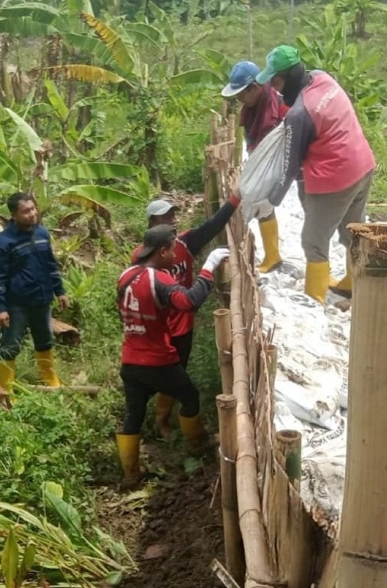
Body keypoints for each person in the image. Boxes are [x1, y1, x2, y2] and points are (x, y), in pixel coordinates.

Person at [251, 45, 376, 303]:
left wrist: (270, 200)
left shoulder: (300, 114)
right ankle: (353, 284)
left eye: (275, 80)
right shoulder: (323, 78)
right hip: (363, 164)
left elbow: (290, 167)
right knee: (353, 230)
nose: (273, 87)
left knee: (313, 240)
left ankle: (314, 299)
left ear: (288, 78)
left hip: (336, 178)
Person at [115, 225, 230, 488]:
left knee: (133, 414)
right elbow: (189, 302)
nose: (176, 255)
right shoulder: (160, 280)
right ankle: (196, 442)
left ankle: (131, 473)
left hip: (130, 359)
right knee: (189, 396)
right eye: (173, 250)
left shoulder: (126, 275)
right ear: (163, 251)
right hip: (158, 359)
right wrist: (208, 269)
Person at [131, 193, 241, 438]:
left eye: (172, 215)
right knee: (163, 374)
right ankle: (166, 423)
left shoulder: (184, 243)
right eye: (164, 217)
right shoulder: (140, 257)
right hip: (157, 326)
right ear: (151, 222)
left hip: (182, 324)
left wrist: (235, 200)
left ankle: (163, 418)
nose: (171, 220)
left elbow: (212, 226)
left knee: (177, 371)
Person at [0, 192, 70, 391]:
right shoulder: (3, 242)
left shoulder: (42, 233)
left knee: (45, 340)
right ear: (13, 215)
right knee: (11, 345)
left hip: (42, 299)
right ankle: (5, 388)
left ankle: (49, 379)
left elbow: (51, 265)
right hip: (16, 304)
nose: (32, 214)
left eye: (33, 209)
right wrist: (0, 308)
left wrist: (60, 291)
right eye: (26, 211)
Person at [221, 60, 289, 274]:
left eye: (242, 93)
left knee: (262, 201)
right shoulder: (254, 106)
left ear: (255, 87)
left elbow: (277, 138)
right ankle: (272, 254)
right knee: (262, 203)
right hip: (265, 159)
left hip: (281, 160)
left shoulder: (275, 104)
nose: (240, 99)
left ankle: (273, 255)